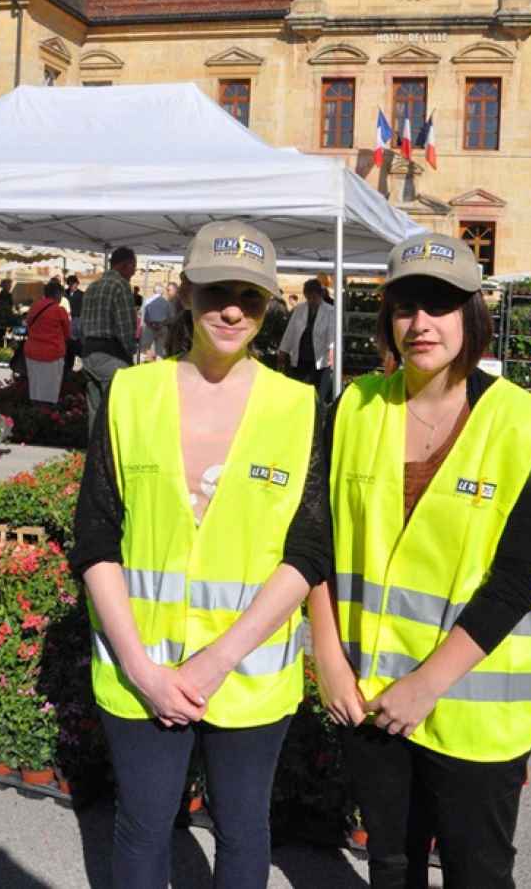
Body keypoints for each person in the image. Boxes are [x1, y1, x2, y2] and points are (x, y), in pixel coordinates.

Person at [69, 219, 332, 889]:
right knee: (143, 825)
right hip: (141, 670)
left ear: (270, 304)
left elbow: (306, 552)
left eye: (249, 294)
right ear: (184, 292)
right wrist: (142, 667)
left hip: (247, 675)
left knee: (243, 830)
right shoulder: (132, 392)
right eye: (216, 290)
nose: (232, 309)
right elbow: (97, 532)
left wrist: (216, 660)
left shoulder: (299, 407)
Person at [309, 232, 531, 889]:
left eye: (441, 304)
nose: (421, 323)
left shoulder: (521, 423)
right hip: (368, 695)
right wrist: (329, 659)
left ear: (472, 315)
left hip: (471, 704)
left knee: (476, 871)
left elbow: (516, 577)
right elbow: (317, 541)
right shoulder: (354, 408)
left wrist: (426, 685)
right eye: (405, 306)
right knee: (391, 866)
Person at [79, 247, 138, 436]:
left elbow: (82, 325)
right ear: (126, 264)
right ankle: (111, 458)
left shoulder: (92, 286)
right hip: (111, 354)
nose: (133, 273)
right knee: (116, 411)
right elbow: (126, 325)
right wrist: (130, 351)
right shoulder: (120, 285)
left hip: (89, 353)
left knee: (95, 412)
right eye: (133, 268)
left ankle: (94, 458)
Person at [277, 277, 334, 403]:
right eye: (309, 298)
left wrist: (331, 350)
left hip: (320, 362)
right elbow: (291, 331)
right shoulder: (299, 309)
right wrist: (283, 350)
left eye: (314, 297)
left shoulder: (330, 311)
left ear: (320, 295)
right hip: (301, 359)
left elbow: (332, 333)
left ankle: (317, 422)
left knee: (318, 399)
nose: (312, 301)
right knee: (299, 397)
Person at [24, 281, 71, 404]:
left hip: (31, 351)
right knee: (49, 390)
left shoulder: (34, 306)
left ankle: (34, 414)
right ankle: (45, 417)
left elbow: (28, 326)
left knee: (35, 388)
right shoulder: (59, 311)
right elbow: (67, 333)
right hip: (51, 354)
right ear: (58, 295)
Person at [140, 283, 173, 357]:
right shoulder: (167, 303)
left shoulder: (147, 301)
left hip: (150, 326)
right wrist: (162, 324)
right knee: (159, 349)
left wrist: (150, 323)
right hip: (163, 327)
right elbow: (171, 317)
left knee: (144, 348)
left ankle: (142, 363)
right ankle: (158, 362)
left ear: (153, 291)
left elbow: (142, 314)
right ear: (162, 292)